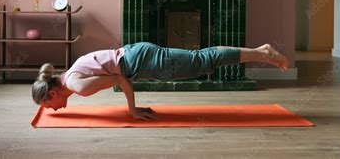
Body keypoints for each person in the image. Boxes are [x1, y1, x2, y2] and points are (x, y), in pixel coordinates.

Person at [31, 42, 289, 120]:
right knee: (201, 61)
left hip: (141, 62)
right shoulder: (71, 73)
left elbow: (119, 78)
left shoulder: (76, 86)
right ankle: (261, 53)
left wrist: (132, 109)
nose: (52, 109)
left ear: (52, 94)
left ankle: (262, 54)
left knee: (201, 61)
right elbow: (118, 76)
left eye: (48, 106)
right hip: (138, 57)